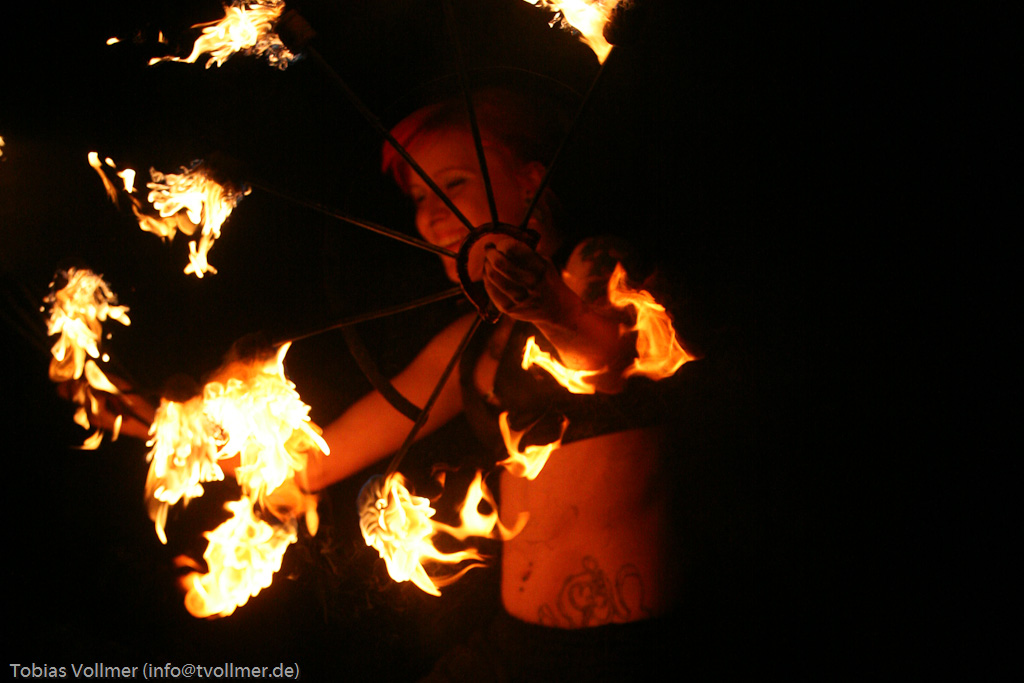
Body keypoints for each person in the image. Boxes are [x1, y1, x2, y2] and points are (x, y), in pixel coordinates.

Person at [304, 87, 693, 680]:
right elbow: (324, 456)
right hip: (512, 649)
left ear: (530, 182)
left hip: (622, 653)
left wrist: (552, 307)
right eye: (419, 197)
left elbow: (608, 358)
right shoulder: (471, 340)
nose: (430, 214)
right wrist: (190, 433)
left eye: (453, 184)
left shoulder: (597, 267)